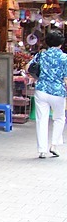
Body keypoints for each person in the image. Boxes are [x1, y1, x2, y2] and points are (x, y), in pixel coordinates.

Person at [29, 30, 67, 158]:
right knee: (59, 118)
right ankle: (54, 145)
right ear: (61, 44)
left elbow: (28, 68)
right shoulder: (64, 58)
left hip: (41, 90)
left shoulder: (41, 55)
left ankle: (42, 150)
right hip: (58, 91)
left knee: (42, 119)